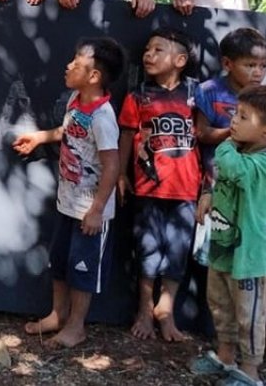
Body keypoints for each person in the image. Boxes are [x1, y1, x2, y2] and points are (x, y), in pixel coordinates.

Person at [12, 38, 124, 349]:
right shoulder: (77, 99)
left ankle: (76, 326)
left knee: (82, 270)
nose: (68, 66)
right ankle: (57, 315)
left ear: (94, 76)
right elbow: (68, 131)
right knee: (60, 262)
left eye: (76, 64)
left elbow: (112, 164)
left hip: (90, 209)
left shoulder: (103, 117)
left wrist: (97, 208)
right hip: (68, 202)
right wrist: (39, 137)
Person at [193, 27, 266, 369]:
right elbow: (222, 184)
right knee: (220, 305)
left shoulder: (264, 160)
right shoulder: (242, 148)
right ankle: (225, 357)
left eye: (242, 117)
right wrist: (207, 195)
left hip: (247, 254)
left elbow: (230, 168)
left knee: (249, 313)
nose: (233, 121)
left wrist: (225, 143)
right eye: (234, 114)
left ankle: (250, 370)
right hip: (222, 245)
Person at [117, 28, 200, 342]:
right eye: (147, 50)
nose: (148, 55)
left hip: (187, 189)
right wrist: (123, 175)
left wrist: (207, 186)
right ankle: (143, 311)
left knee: (178, 252)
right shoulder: (138, 96)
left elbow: (205, 136)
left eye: (158, 50)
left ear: (179, 60)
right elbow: (126, 135)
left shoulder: (195, 94)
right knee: (148, 250)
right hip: (149, 187)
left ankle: (166, 311)